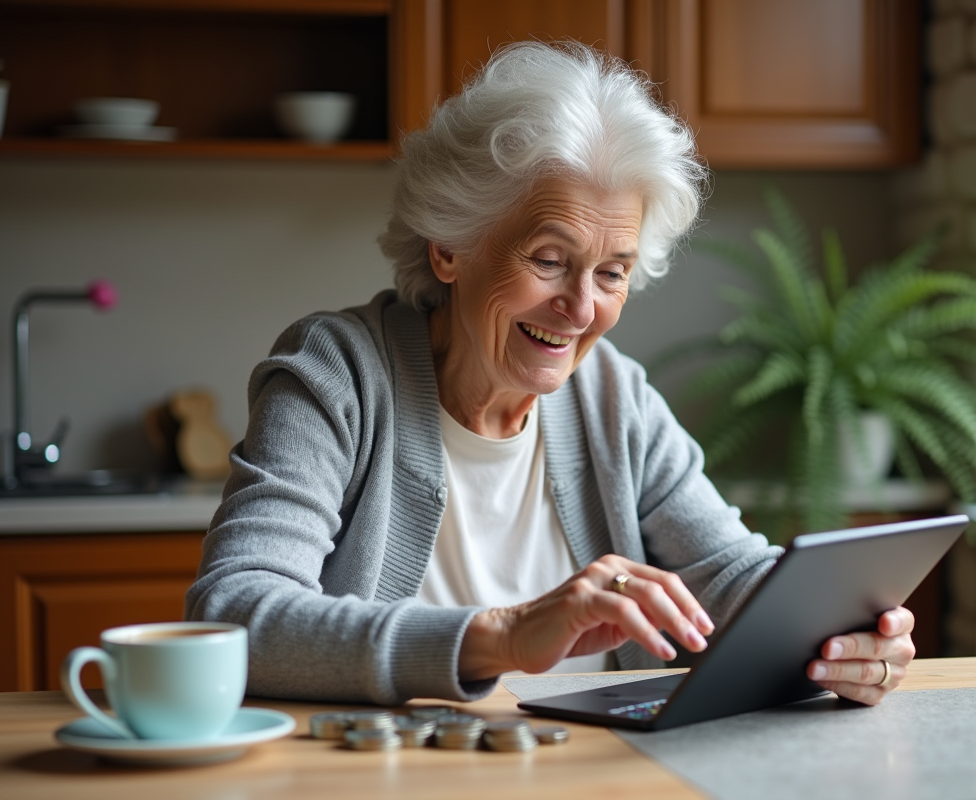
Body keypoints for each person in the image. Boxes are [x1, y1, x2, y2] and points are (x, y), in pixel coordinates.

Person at [185, 41, 915, 706]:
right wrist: (505, 635)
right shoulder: (338, 373)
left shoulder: (613, 397)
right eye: (548, 260)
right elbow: (236, 612)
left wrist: (842, 635)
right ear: (449, 247)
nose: (581, 307)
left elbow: (725, 572)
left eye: (612, 272)